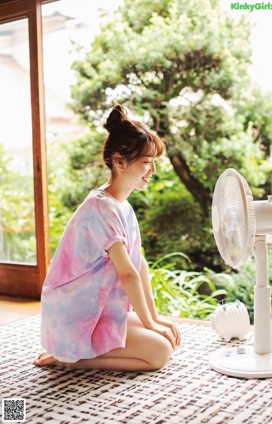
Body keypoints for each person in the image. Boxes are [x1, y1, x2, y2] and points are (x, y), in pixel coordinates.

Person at [34, 104, 181, 372]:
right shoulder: (102, 207)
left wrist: (155, 318)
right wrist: (149, 324)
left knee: (165, 338)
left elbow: (140, 265)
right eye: (146, 162)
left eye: (153, 162)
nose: (153, 170)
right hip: (74, 317)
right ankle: (71, 359)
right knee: (159, 353)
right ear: (119, 161)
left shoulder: (122, 205)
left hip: (96, 311)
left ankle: (74, 354)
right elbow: (127, 274)